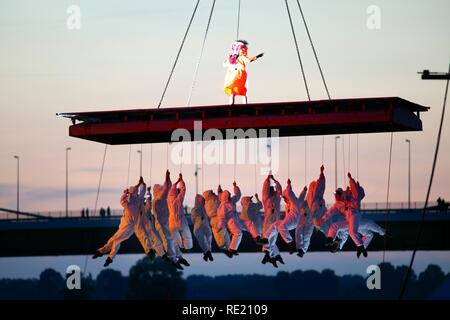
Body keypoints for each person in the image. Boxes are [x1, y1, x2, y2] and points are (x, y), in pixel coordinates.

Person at [92, 177, 149, 267]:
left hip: (128, 226)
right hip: (126, 225)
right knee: (114, 240)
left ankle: (107, 256)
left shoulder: (129, 203)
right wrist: (141, 184)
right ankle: (102, 252)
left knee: (116, 240)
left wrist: (127, 192)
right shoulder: (138, 200)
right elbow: (142, 191)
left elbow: (122, 199)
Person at [316, 173, 368, 258]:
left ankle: (360, 247)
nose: (335, 196)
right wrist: (322, 219)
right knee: (335, 226)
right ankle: (330, 239)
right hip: (348, 220)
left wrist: (352, 180)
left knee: (353, 232)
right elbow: (329, 213)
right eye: (335, 195)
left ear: (340, 194)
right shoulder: (337, 205)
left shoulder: (349, 197)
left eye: (337, 194)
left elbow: (359, 193)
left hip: (355, 217)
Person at [152, 170, 184, 270]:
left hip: (165, 222)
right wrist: (167, 178)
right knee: (169, 241)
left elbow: (167, 192)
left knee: (173, 239)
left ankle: (179, 257)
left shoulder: (158, 200)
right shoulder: (158, 200)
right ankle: (174, 260)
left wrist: (176, 183)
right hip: (162, 224)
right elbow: (166, 190)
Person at [223, 40, 263, 105]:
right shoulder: (241, 57)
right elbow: (249, 60)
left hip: (232, 76)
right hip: (240, 75)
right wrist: (257, 56)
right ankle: (245, 105)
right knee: (244, 92)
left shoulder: (231, 58)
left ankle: (231, 105)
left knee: (232, 92)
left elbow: (224, 64)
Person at [275, 180, 307, 256]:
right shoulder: (289, 205)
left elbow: (289, 193)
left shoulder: (294, 202)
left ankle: (290, 243)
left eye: (284, 198)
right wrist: (304, 191)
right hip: (290, 221)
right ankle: (267, 239)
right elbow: (301, 198)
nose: (284, 199)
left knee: (282, 226)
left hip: (294, 220)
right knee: (276, 225)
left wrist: (288, 184)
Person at [168, 173, 192, 267]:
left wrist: (177, 181)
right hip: (180, 222)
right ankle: (177, 258)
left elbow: (173, 188)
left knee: (174, 242)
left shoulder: (169, 199)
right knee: (187, 242)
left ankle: (178, 258)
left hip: (171, 223)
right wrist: (181, 180)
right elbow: (183, 190)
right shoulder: (178, 199)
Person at [261, 174, 283, 268]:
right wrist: (267, 180)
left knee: (271, 239)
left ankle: (270, 255)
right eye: (271, 189)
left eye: (273, 189)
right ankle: (272, 256)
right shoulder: (266, 199)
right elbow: (264, 191)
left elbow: (279, 190)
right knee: (269, 238)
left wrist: (274, 180)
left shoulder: (277, 198)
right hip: (269, 220)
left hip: (276, 220)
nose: (272, 191)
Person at [217, 182, 242, 257]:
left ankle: (233, 248)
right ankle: (232, 249)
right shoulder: (223, 206)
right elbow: (222, 218)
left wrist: (235, 187)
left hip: (236, 219)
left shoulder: (231, 200)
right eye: (229, 195)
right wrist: (221, 227)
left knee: (239, 233)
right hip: (230, 222)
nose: (230, 196)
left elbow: (238, 195)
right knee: (238, 233)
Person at [191, 194, 214, 262]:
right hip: (198, 228)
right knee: (203, 240)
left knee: (209, 237)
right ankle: (207, 252)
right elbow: (199, 211)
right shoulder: (194, 209)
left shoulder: (204, 208)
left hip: (205, 226)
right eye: (202, 200)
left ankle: (207, 253)